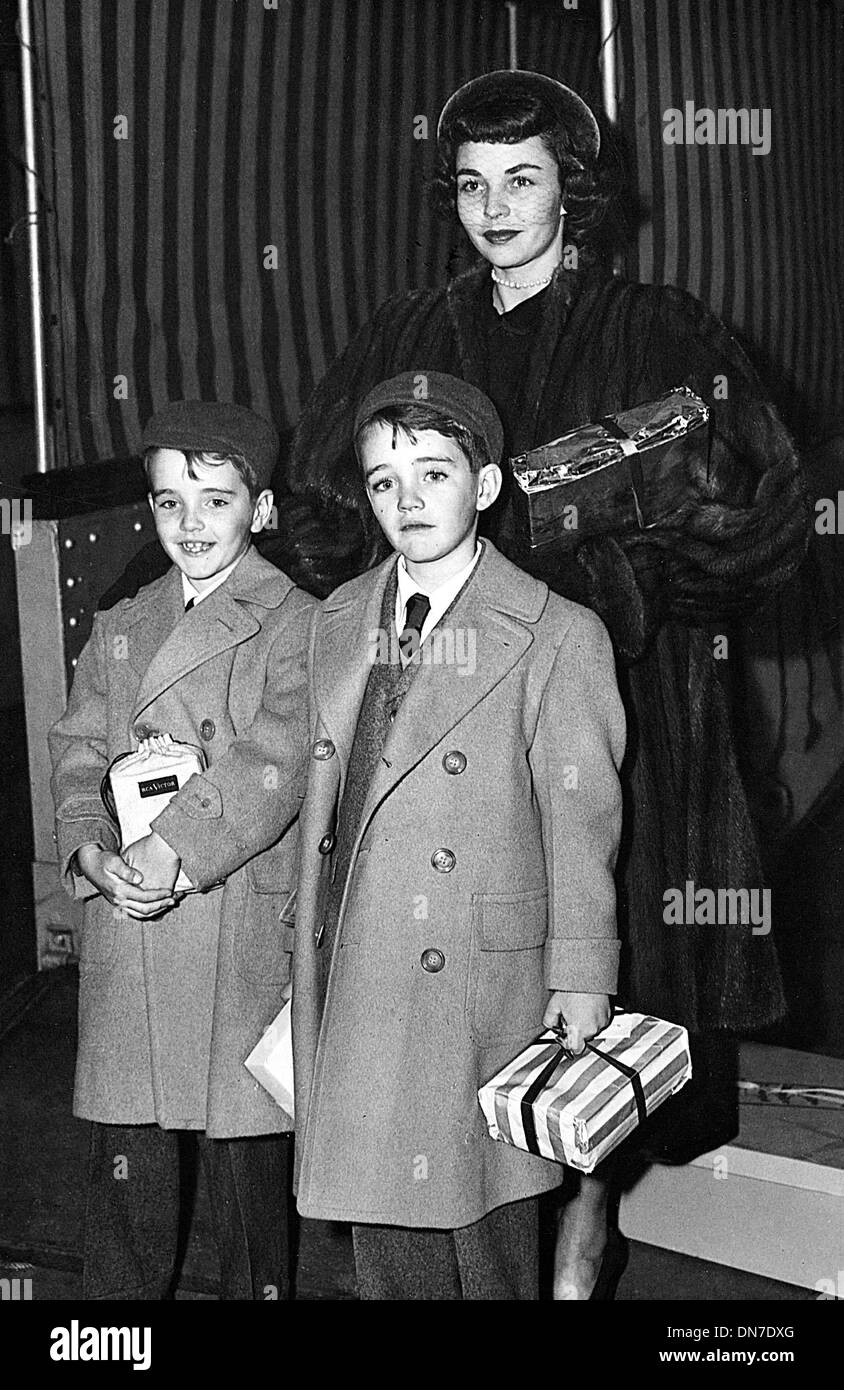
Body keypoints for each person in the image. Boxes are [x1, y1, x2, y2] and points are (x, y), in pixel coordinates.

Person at [278, 70, 810, 1299]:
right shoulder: (406, 334)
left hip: (615, 705)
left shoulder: (663, 328)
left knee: (590, 965)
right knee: (456, 969)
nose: (494, 206)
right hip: (441, 703)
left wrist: (615, 572)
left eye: (522, 180)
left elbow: (765, 520)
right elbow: (316, 514)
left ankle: (579, 1208)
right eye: (470, 183)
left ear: (572, 189)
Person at [291, 370, 626, 1300]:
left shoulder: (558, 634)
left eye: (434, 475)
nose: (408, 501)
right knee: (385, 1241)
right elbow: (299, 777)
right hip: (356, 962)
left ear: (484, 487)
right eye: (384, 481)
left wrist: (583, 974)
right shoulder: (338, 618)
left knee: (487, 1244)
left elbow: (583, 821)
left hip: (482, 984)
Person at [49, 400, 316, 1299]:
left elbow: (275, 761)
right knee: (128, 1184)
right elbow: (77, 752)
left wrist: (174, 849)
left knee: (249, 1196)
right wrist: (88, 854)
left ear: (262, 509)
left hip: (232, 921)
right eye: (170, 503)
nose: (191, 524)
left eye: (215, 499)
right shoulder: (121, 623)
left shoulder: (299, 621)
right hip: (132, 929)